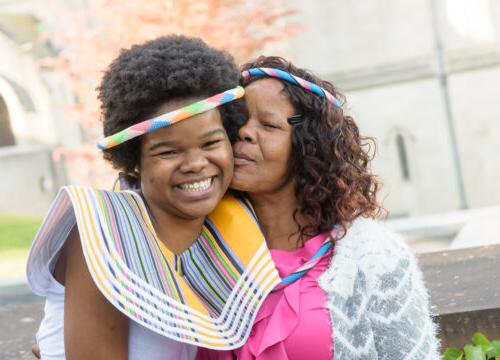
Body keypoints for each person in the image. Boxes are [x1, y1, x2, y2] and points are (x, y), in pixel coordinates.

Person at [26, 36, 281, 360]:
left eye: (210, 143)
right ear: (134, 160)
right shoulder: (104, 233)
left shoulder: (230, 221)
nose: (195, 164)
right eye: (169, 151)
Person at [197, 57, 440, 359]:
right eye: (237, 122)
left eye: (269, 125)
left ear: (308, 145)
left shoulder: (371, 255)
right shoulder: (199, 247)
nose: (245, 133)